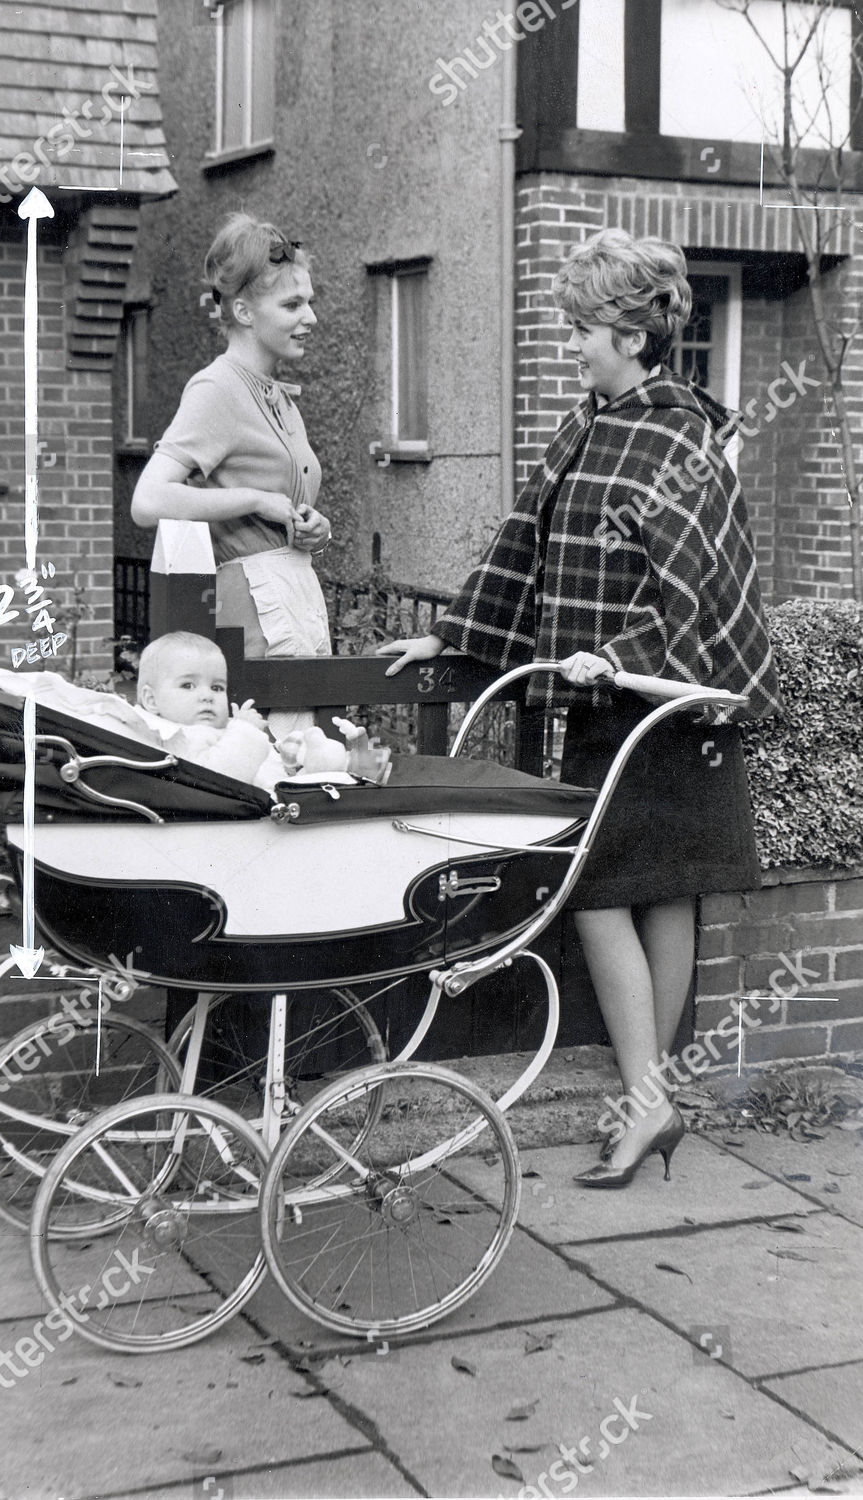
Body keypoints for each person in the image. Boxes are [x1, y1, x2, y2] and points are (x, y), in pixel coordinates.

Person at [379, 228, 781, 1189]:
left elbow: (700, 585)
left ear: (632, 336)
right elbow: (522, 539)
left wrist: (620, 655)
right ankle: (653, 1101)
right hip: (606, 710)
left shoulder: (682, 434)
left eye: (584, 328)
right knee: (632, 895)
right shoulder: (585, 425)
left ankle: (647, 1103)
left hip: (664, 711)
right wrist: (455, 634)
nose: (573, 345)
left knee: (621, 894)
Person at [131, 212, 333, 686]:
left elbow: (279, 517)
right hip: (256, 611)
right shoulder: (217, 388)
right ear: (243, 312)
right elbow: (148, 500)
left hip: (296, 598)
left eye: (309, 301)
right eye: (292, 305)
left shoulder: (276, 395)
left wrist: (311, 529)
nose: (311, 317)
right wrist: (256, 501)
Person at [0, 634, 386, 792]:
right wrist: (248, 734)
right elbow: (217, 775)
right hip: (258, 822)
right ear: (149, 700)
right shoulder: (165, 734)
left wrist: (286, 756)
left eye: (217, 688)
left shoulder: (221, 730)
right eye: (188, 686)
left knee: (315, 758)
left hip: (281, 795)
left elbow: (253, 764)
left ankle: (354, 765)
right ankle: (354, 770)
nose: (207, 698)